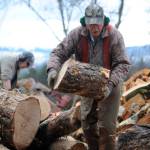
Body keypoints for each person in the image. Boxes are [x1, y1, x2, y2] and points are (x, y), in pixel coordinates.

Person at [47, 3, 131, 150]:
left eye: (98, 24)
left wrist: (110, 84)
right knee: (87, 125)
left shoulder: (114, 36)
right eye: (91, 25)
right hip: (86, 83)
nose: (95, 28)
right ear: (85, 23)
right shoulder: (77, 34)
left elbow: (123, 64)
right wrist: (52, 69)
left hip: (112, 82)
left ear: (103, 21)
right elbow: (58, 52)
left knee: (107, 128)